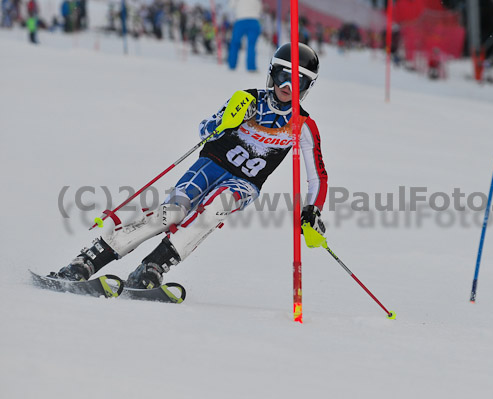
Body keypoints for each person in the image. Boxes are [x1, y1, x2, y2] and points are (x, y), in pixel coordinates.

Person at [51, 43, 328, 290]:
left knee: (216, 207)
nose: (287, 86)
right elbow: (204, 129)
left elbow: (317, 176)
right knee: (172, 213)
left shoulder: (303, 126)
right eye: (283, 76)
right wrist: (228, 122)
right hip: (212, 164)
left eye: (298, 81)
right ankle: (89, 260)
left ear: (306, 88)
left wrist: (311, 210)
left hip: (244, 183)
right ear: (272, 73)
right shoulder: (247, 99)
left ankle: (153, 266)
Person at [227, 0, 261, 71]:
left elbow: (231, 5)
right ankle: (251, 67)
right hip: (254, 20)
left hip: (241, 20)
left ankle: (232, 65)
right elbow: (259, 7)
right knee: (251, 45)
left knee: (235, 43)